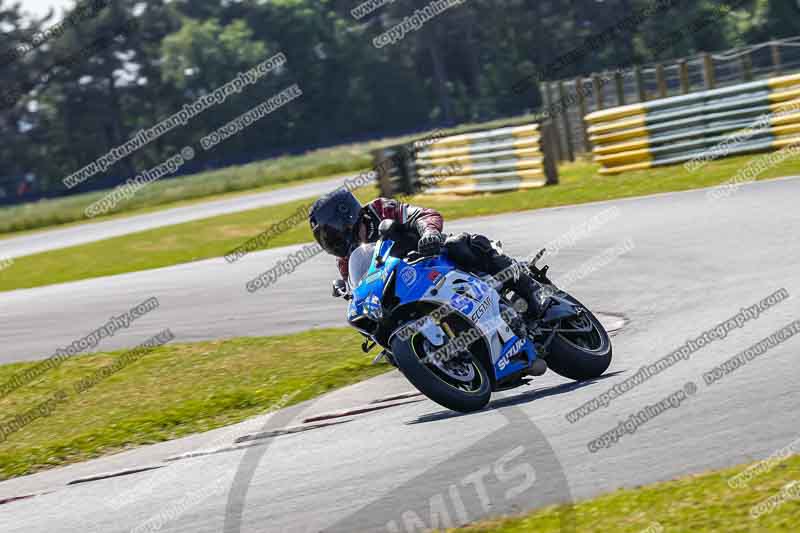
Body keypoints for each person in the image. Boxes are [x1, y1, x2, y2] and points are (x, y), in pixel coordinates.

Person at [308, 189, 544, 321]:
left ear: (345, 218)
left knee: (459, 244)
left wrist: (429, 233)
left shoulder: (379, 209)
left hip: (433, 259)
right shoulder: (346, 261)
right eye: (325, 239)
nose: (331, 241)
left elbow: (422, 214)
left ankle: (528, 286)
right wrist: (350, 294)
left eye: (331, 233)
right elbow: (358, 288)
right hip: (409, 289)